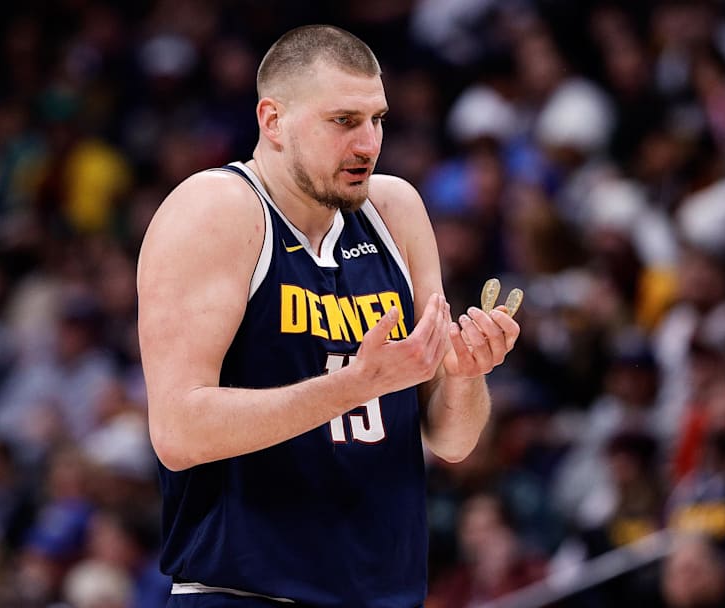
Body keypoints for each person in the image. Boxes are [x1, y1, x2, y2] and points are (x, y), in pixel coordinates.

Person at [136, 24, 520, 608]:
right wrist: (353, 385)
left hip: (387, 594)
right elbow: (179, 432)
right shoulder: (216, 211)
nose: (368, 143)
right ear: (273, 121)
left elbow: (454, 440)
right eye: (344, 121)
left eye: (378, 119)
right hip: (246, 593)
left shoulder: (397, 210)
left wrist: (467, 374)